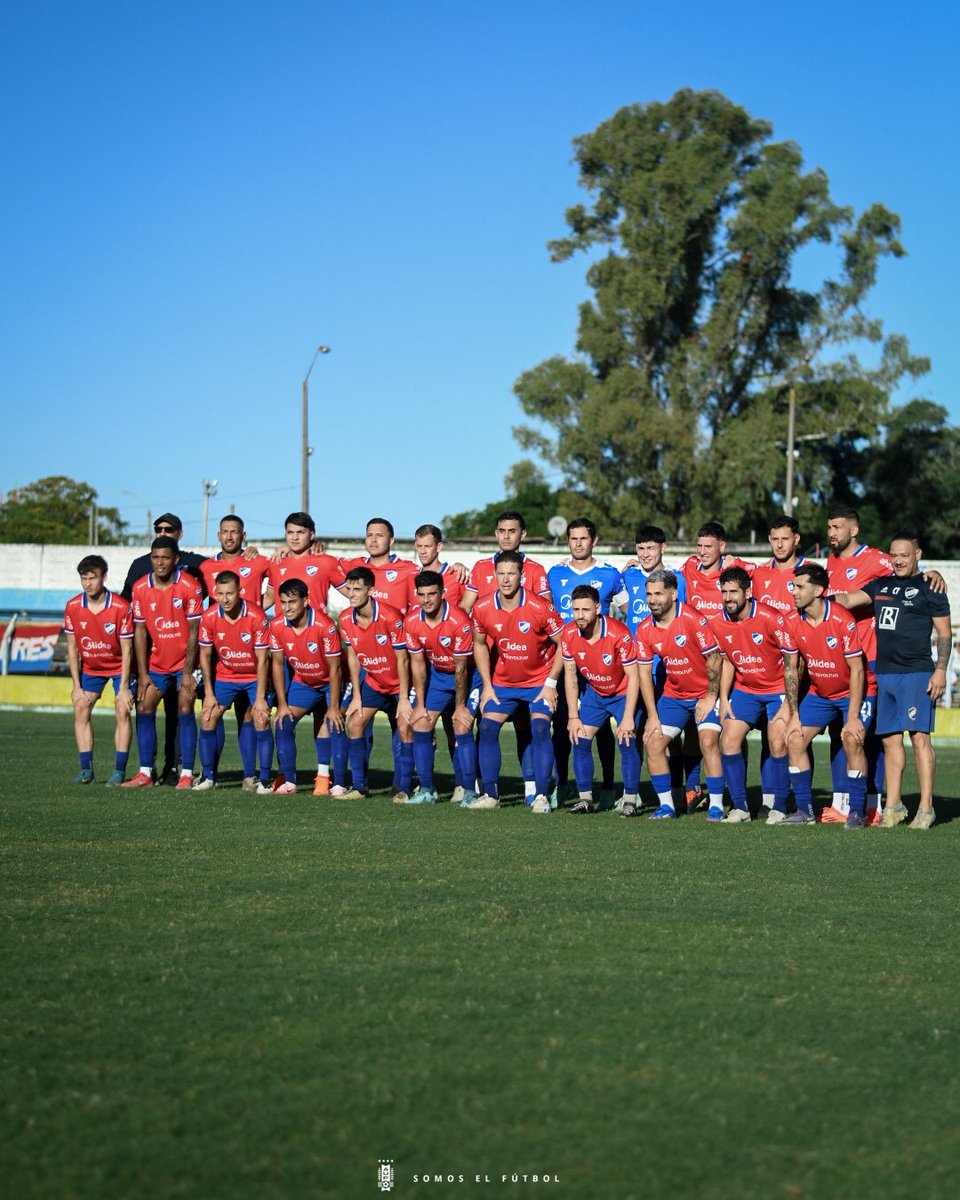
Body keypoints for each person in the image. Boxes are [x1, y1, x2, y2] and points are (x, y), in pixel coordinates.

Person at [833, 530, 951, 830]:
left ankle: (925, 808)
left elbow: (944, 634)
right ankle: (894, 806)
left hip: (917, 673)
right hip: (885, 674)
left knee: (919, 738)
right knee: (889, 740)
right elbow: (847, 599)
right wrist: (817, 595)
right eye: (894, 555)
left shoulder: (931, 586)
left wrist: (940, 669)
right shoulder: (880, 585)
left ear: (918, 555)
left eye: (905, 555)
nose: (898, 561)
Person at [466, 550, 565, 812]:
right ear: (495, 575)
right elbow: (479, 644)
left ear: (521, 576)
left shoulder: (540, 607)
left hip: (539, 683)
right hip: (503, 683)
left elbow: (564, 644)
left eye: (511, 573)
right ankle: (491, 795)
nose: (506, 579)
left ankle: (541, 796)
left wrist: (551, 684)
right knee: (487, 728)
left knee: (540, 729)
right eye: (501, 574)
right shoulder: (482, 607)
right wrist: (487, 685)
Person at [780, 563, 871, 827]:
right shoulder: (790, 621)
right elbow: (791, 670)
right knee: (794, 738)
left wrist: (852, 717)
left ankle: (856, 812)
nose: (794, 592)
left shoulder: (842, 619)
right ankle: (805, 811)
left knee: (852, 738)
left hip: (855, 691)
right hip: (820, 694)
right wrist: (794, 715)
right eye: (793, 586)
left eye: (800, 587)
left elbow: (857, 670)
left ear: (818, 590)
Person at [546, 518, 626, 807]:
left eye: (583, 538)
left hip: (599, 663)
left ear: (594, 541)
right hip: (565, 660)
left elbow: (632, 611)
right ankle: (563, 784)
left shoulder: (610, 574)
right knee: (562, 724)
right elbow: (547, 615)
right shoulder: (555, 573)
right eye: (573, 538)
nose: (578, 543)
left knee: (601, 727)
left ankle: (608, 787)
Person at [822, 505, 893, 822]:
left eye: (837, 527)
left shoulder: (876, 559)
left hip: (871, 659)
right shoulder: (831, 561)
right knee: (839, 732)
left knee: (869, 734)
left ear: (854, 530)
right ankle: (842, 803)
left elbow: (907, 574)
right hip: (839, 662)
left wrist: (929, 574)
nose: (831, 533)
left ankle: (873, 806)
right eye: (829, 527)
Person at [636, 569, 725, 820]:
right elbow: (644, 674)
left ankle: (717, 805)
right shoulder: (644, 629)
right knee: (653, 743)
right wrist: (652, 716)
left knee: (708, 742)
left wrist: (710, 697)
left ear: (674, 594)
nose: (652, 600)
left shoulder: (693, 619)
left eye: (658, 594)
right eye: (649, 594)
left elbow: (715, 659)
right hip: (674, 696)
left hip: (705, 694)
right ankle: (667, 807)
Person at [619, 524, 696, 811]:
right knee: (636, 730)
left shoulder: (677, 580)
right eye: (640, 548)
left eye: (651, 548)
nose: (645, 554)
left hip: (667, 668)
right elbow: (621, 604)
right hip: (636, 668)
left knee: (672, 735)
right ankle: (631, 793)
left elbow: (680, 619)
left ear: (663, 548)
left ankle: (682, 789)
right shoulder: (627, 576)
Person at [712, 566, 797, 824]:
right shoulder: (718, 622)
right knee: (728, 741)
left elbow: (792, 661)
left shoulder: (771, 617)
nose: (728, 598)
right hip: (745, 690)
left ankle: (779, 806)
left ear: (748, 593)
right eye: (724, 592)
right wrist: (723, 698)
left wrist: (789, 703)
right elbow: (728, 661)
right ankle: (741, 808)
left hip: (777, 689)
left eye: (733, 592)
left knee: (777, 742)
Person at [562, 586, 655, 814]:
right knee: (579, 739)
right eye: (576, 610)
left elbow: (634, 676)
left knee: (626, 740)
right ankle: (585, 800)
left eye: (585, 610)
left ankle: (630, 801)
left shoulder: (619, 633)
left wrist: (628, 717)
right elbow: (571, 675)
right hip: (595, 694)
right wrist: (573, 715)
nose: (580, 615)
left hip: (623, 694)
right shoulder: (569, 634)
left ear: (597, 608)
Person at [123, 537, 204, 789]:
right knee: (144, 706)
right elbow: (139, 632)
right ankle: (145, 773)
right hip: (156, 665)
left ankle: (186, 774)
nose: (160, 562)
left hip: (185, 665)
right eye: (155, 557)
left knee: (185, 707)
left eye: (165, 558)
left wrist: (188, 671)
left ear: (175, 560)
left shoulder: (190, 586)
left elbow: (195, 630)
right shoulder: (140, 588)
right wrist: (143, 673)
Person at [404, 569, 480, 804]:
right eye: (421, 594)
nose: (426, 600)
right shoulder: (412, 621)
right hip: (438, 676)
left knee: (460, 724)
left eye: (432, 594)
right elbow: (418, 665)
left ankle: (469, 791)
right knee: (421, 722)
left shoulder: (459, 621)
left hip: (469, 676)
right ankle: (427, 791)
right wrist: (420, 704)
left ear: (443, 593)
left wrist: (460, 706)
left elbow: (461, 668)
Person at [339, 566, 413, 799]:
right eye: (349, 589)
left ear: (370, 591)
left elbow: (403, 659)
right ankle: (359, 787)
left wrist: (404, 697)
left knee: (405, 727)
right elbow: (353, 657)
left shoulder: (391, 617)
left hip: (401, 684)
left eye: (357, 589)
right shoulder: (345, 618)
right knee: (355, 723)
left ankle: (403, 788)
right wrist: (357, 696)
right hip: (374, 683)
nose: (351, 594)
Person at [268, 578, 346, 797]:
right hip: (304, 682)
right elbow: (277, 664)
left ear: (305, 601)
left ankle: (333, 782)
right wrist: (282, 704)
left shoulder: (325, 626)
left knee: (334, 723)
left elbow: (335, 669)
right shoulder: (276, 625)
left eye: (292, 602)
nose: (287, 608)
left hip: (330, 682)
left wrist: (334, 706)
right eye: (283, 602)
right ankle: (289, 781)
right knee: (283, 722)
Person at [195, 571, 272, 792]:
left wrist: (260, 698)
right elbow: (205, 656)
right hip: (226, 676)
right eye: (220, 594)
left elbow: (262, 660)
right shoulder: (209, 617)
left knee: (260, 718)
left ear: (240, 591)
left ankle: (261, 779)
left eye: (230, 593)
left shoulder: (256, 616)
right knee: (208, 716)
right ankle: (207, 777)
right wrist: (209, 694)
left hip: (253, 677)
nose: (225, 599)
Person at [63, 554, 134, 785]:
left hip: (119, 667)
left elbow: (128, 650)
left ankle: (119, 771)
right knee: (80, 707)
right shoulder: (73, 606)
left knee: (122, 709)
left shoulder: (121, 607)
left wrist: (124, 687)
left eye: (92, 578)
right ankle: (86, 771)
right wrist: (76, 686)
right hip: (92, 668)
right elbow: (72, 649)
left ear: (104, 577)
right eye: (84, 579)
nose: (87, 584)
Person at [460, 511, 552, 613]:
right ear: (496, 533)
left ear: (523, 534)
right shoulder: (481, 566)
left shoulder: (536, 569)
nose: (506, 536)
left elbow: (547, 610)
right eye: (502, 531)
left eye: (512, 531)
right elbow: (465, 608)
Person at [265, 511, 346, 614]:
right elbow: (269, 597)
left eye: (300, 532)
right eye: (290, 532)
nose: (294, 537)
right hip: (282, 624)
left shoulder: (326, 562)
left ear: (311, 535)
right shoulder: (276, 562)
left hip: (316, 623)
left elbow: (353, 593)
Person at [339, 518, 419, 615]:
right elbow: (328, 564)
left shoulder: (409, 570)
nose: (373, 540)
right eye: (369, 535)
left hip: (395, 624)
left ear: (391, 541)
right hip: (361, 624)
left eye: (380, 535)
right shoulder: (354, 565)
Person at [680, 521, 755, 620]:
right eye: (699, 546)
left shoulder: (731, 567)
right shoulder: (691, 565)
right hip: (695, 629)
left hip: (724, 629)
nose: (702, 552)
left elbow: (760, 572)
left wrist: (736, 562)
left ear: (722, 546)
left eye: (708, 547)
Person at [198, 515, 272, 606]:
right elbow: (195, 598)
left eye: (234, 532)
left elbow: (283, 571)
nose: (229, 537)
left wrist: (256, 609)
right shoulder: (206, 567)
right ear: (219, 536)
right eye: (225, 532)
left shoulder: (257, 561)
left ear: (243, 536)